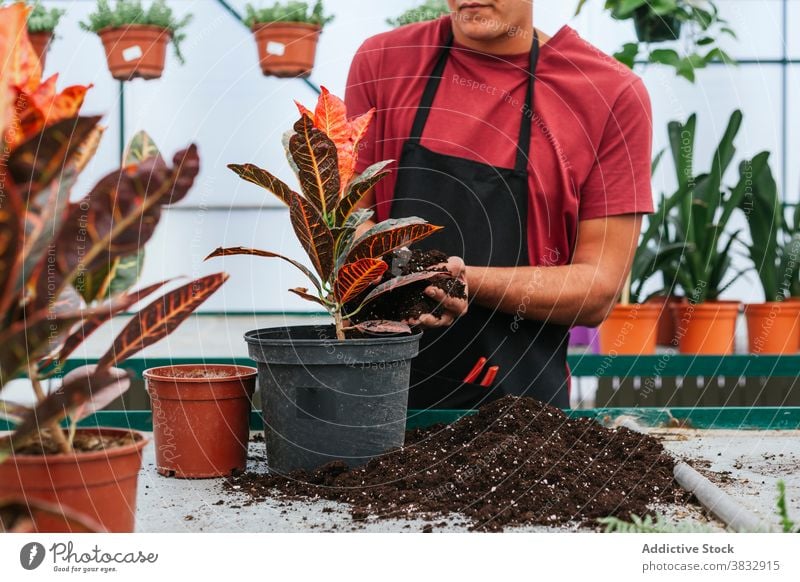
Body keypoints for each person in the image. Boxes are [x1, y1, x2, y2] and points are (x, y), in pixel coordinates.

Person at [345, 0, 653, 409]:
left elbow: (597, 290)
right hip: (371, 407)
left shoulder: (608, 93)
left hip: (520, 420)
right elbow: (345, 227)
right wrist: (413, 279)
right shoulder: (386, 61)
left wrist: (458, 280)